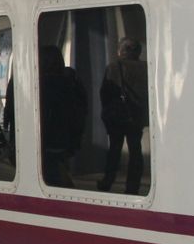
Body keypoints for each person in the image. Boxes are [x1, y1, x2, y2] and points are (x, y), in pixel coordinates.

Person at [98, 36, 148, 194]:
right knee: (135, 150)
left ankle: (108, 181)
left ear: (121, 50)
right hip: (136, 117)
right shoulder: (146, 67)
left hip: (117, 117)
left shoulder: (113, 67)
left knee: (114, 149)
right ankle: (133, 186)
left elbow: (104, 93)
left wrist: (107, 113)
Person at [39, 45, 87, 188]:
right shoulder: (71, 83)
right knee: (59, 171)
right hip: (65, 139)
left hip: (49, 140)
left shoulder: (43, 84)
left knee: (52, 177)